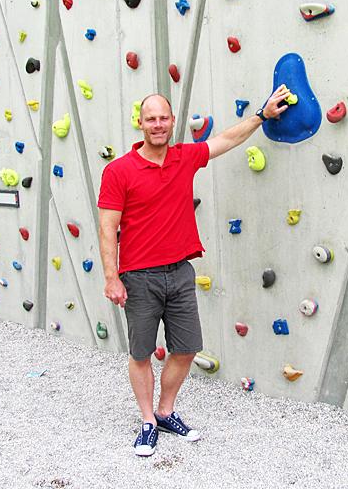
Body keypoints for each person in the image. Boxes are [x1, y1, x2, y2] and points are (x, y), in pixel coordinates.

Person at [98, 85, 290, 457]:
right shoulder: (119, 170)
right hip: (139, 276)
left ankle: (165, 410)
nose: (157, 124)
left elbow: (226, 140)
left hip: (181, 272)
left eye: (163, 118)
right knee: (140, 353)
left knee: (185, 349)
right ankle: (146, 421)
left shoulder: (184, 157)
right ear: (140, 122)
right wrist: (111, 276)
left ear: (172, 122)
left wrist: (262, 115)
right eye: (150, 118)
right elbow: (108, 227)